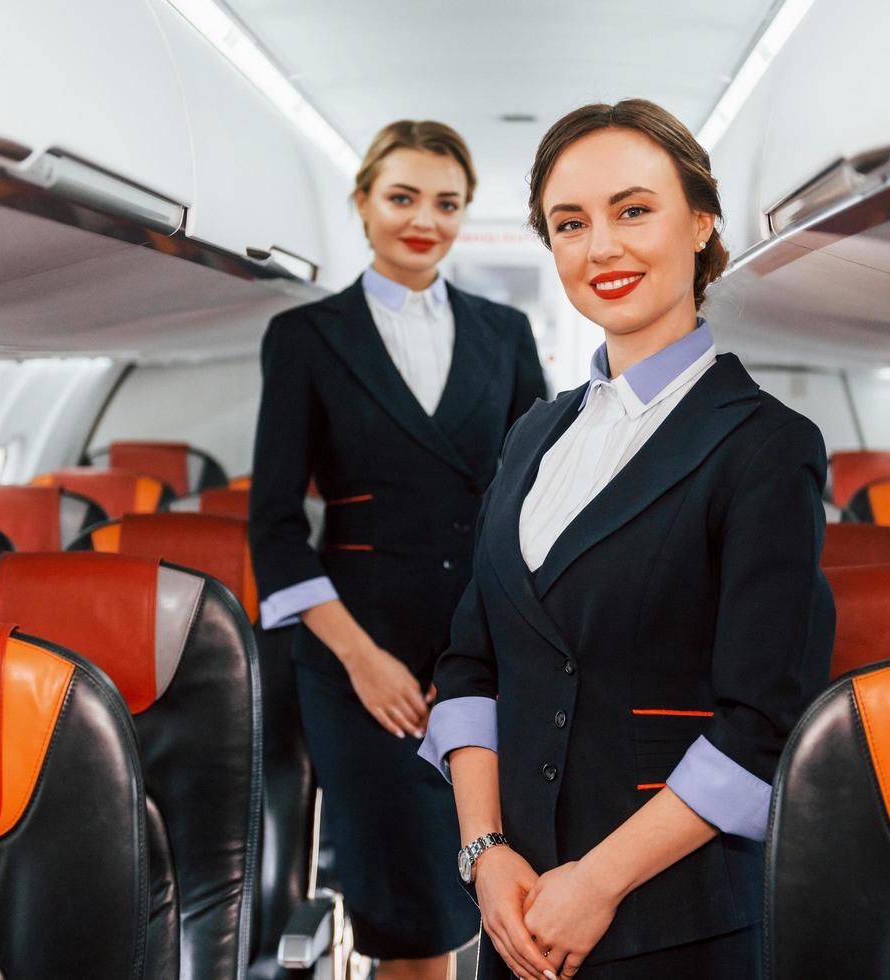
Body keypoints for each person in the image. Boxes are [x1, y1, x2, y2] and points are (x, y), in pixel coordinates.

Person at [418, 99, 835, 979]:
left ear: (701, 221)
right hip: (517, 916)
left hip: (671, 927)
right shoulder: (533, 433)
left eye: (633, 210)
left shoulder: (767, 446)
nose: (601, 246)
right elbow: (469, 663)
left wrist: (597, 883)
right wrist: (485, 853)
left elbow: (763, 721)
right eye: (571, 224)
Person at [249, 119, 548, 979]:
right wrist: (361, 661)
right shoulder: (307, 338)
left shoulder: (506, 332)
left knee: (498, 889)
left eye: (447, 203)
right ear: (364, 203)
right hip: (359, 655)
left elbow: (530, 497)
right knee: (409, 913)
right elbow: (273, 521)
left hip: (482, 646)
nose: (425, 219)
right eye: (404, 197)